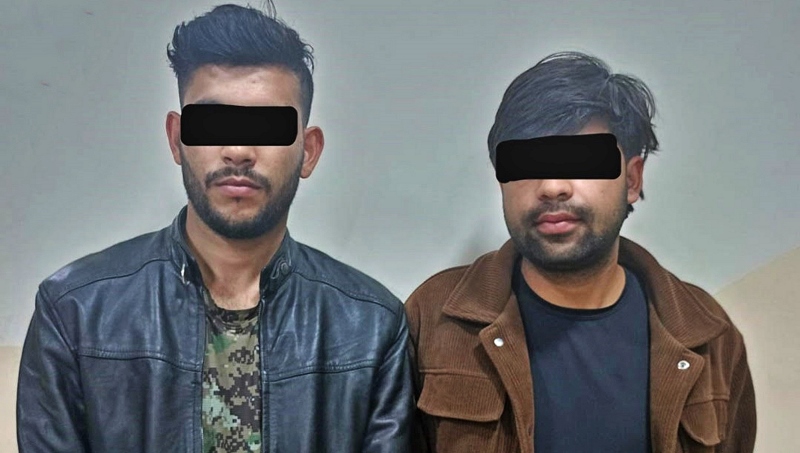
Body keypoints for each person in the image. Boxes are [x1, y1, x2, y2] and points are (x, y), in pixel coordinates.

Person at [16, 4, 413, 452]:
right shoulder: (75, 312)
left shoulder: (371, 328)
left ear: (309, 151)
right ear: (176, 139)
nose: (238, 150)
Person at [405, 51, 756, 452]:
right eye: (527, 162)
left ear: (632, 180)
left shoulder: (708, 335)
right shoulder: (433, 317)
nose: (552, 187)